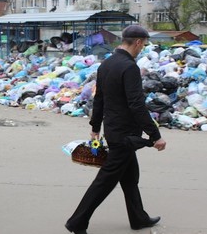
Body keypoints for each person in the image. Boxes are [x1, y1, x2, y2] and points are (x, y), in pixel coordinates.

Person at [65, 25, 167, 234]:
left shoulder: (107, 64)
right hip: (125, 136)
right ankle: (76, 222)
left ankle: (138, 218)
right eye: (144, 44)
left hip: (114, 131)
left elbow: (99, 98)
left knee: (130, 178)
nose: (143, 49)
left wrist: (95, 127)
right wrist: (155, 135)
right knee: (104, 181)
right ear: (138, 42)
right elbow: (136, 104)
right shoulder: (129, 67)